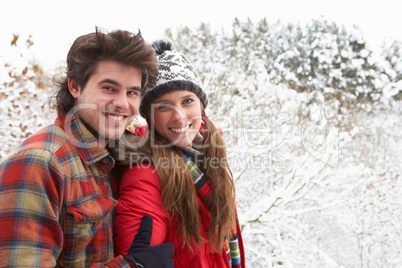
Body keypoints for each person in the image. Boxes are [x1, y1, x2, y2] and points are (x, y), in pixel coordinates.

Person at [0, 28, 174, 267]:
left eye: (132, 92)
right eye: (109, 88)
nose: (122, 103)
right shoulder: (38, 163)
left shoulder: (119, 157)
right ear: (75, 87)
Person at [113, 40, 245, 267]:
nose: (180, 116)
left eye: (187, 101)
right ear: (150, 117)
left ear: (201, 107)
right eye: (164, 106)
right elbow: (142, 256)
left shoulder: (208, 159)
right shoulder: (145, 172)